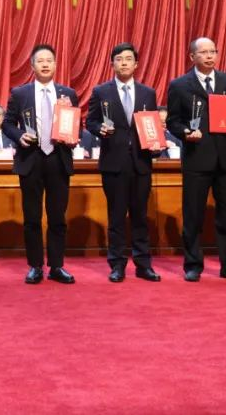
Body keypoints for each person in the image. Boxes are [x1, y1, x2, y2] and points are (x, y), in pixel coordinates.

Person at [166, 38, 226, 282]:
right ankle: (193, 265)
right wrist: (185, 133)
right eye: (204, 52)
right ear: (192, 57)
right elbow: (173, 121)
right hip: (196, 157)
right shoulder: (179, 85)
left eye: (213, 51)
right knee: (193, 215)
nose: (210, 56)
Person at [85, 43, 160, 283]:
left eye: (128, 59)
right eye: (119, 59)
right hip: (113, 163)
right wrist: (99, 129)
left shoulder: (148, 93)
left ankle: (143, 264)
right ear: (112, 64)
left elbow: (152, 124)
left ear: (136, 64)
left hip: (141, 162)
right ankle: (117, 264)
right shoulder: (101, 92)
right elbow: (90, 121)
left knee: (140, 216)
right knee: (116, 217)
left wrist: (156, 143)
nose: (124, 62)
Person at [2, 44, 78, 284]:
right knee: (32, 217)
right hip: (31, 159)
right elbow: (7, 123)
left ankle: (56, 266)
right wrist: (19, 136)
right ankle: (35, 266)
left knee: (57, 217)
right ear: (32, 66)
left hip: (58, 158)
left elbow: (76, 125)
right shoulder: (20, 93)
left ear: (55, 65)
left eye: (49, 60)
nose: (45, 64)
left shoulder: (68, 94)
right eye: (40, 61)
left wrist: (71, 132)